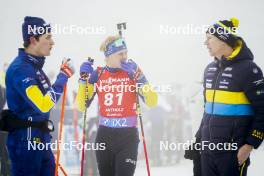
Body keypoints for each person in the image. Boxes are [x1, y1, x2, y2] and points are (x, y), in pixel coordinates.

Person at [77, 36, 158, 176]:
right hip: (104, 136)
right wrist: (84, 81)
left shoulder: (132, 70)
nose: (125, 57)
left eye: (126, 52)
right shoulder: (99, 73)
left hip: (128, 137)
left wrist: (139, 77)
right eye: (120, 54)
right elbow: (81, 106)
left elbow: (152, 101)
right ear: (109, 55)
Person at [4, 16, 74, 176]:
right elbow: (43, 104)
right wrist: (62, 76)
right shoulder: (20, 69)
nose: (52, 42)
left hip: (40, 138)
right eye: (47, 37)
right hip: (26, 141)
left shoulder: (34, 67)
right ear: (33, 40)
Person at [195, 17, 264, 176]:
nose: (206, 43)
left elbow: (262, 109)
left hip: (232, 152)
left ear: (223, 40)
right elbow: (207, 111)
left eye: (209, 38)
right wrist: (198, 141)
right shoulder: (209, 70)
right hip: (208, 151)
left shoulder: (249, 69)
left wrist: (249, 145)